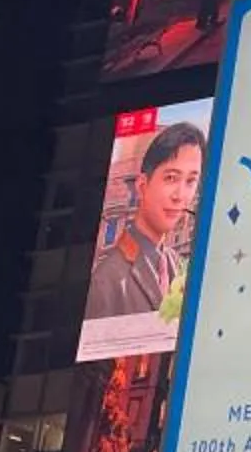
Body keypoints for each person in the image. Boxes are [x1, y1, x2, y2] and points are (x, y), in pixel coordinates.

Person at [84, 121, 206, 322]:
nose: (180, 195)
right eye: (171, 178)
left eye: (191, 181)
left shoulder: (178, 265)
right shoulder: (107, 279)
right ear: (142, 186)